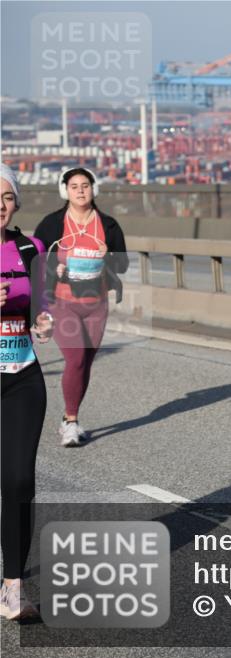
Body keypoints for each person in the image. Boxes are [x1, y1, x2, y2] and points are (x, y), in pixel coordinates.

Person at [34, 167, 128, 446]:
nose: (80, 190)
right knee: (75, 359)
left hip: (96, 304)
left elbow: (122, 264)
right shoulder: (52, 224)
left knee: (85, 362)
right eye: (74, 186)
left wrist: (107, 256)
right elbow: (37, 262)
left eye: (85, 185)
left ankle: (69, 415)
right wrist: (56, 269)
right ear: (65, 191)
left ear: (93, 189)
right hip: (63, 303)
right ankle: (71, 422)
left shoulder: (108, 225)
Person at [0, 164, 53, 620]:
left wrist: (44, 319)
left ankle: (13, 585)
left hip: (21, 377)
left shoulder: (28, 248)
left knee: (18, 481)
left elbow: (43, 302)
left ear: (16, 202)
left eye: (6, 196)